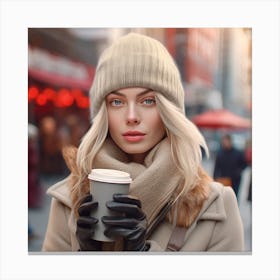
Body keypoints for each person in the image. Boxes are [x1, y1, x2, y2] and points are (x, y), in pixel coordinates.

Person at [42, 32, 244, 252]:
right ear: (103, 112)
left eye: (148, 100)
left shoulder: (215, 207)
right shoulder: (69, 200)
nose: (131, 116)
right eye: (117, 101)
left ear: (169, 110)